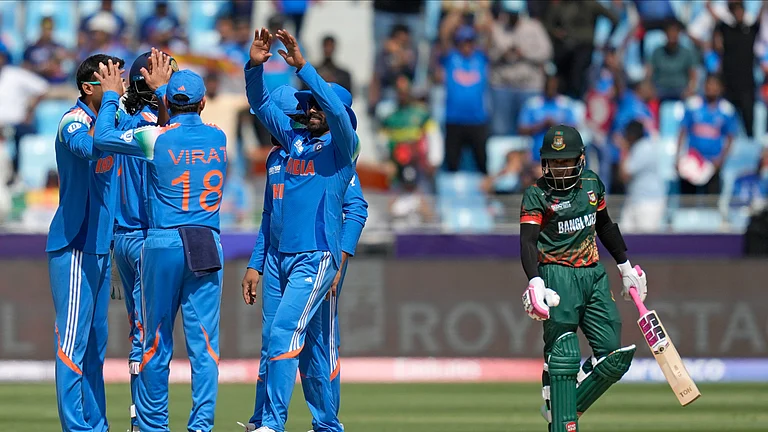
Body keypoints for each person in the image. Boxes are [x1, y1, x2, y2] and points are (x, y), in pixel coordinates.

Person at [93, 58, 226, 432]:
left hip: (162, 241)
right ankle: (201, 427)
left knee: (155, 342)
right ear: (202, 104)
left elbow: (102, 138)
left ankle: (152, 427)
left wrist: (109, 98)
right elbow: (184, 114)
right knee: (204, 347)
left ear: (171, 100)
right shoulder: (218, 135)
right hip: (204, 239)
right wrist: (167, 89)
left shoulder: (155, 138)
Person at [245, 27, 358, 432]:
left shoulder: (342, 150)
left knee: (284, 337)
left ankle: (273, 425)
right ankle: (318, 426)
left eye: (315, 106)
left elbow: (336, 112)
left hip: (315, 255)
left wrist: (304, 68)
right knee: (293, 346)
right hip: (280, 261)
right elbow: (259, 104)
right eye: (306, 104)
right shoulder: (293, 144)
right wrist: (256, 67)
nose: (307, 110)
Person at [519, 125, 647, 432]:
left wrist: (625, 265)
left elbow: (604, 226)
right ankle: (562, 416)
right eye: (554, 161)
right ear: (544, 162)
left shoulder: (592, 184)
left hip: (594, 275)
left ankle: (562, 402)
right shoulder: (537, 195)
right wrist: (535, 281)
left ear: (581, 159)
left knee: (614, 355)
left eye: (566, 161)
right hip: (557, 274)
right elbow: (527, 242)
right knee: (564, 356)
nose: (560, 168)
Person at [46, 53, 125, 432]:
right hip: (75, 242)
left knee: (95, 348)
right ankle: (78, 428)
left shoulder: (112, 117)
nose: (117, 83)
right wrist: (112, 100)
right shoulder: (73, 121)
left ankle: (97, 424)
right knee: (73, 344)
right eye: (109, 77)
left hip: (99, 246)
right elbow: (91, 148)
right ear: (87, 87)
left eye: (119, 76)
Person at [110, 50, 176, 432]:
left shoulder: (119, 120)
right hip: (146, 236)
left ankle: (140, 417)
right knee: (150, 335)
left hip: (121, 236)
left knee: (140, 330)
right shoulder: (154, 127)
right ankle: (145, 421)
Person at [437, 25, 490, 174]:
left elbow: (489, 35)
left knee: (482, 165)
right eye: (463, 42)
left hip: (477, 120)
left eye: (470, 42)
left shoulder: (480, 58)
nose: (467, 46)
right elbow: (444, 35)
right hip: (454, 120)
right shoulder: (451, 58)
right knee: (451, 165)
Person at [711, 0, 765, 139]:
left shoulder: (750, 31)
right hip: (728, 84)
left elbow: (759, 17)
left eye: (741, 10)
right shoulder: (726, 30)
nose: (739, 13)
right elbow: (714, 15)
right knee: (727, 121)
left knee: (748, 122)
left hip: (747, 84)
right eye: (736, 11)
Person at [677, 73, 737, 195]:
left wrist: (720, 160)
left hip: (713, 163)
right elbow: (682, 131)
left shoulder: (727, 110)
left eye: (715, 85)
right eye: (708, 84)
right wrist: (678, 157)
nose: (711, 87)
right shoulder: (693, 105)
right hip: (692, 161)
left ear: (721, 88)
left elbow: (730, 138)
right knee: (688, 201)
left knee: (712, 202)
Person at [518, 74, 578, 173]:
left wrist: (556, 126)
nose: (550, 89)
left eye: (553, 87)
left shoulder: (565, 104)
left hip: (561, 157)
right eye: (548, 86)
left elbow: (574, 129)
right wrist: (541, 125)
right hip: (536, 156)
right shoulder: (533, 104)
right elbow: (521, 129)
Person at [620, 120, 667, 232]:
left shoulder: (643, 148)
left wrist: (623, 149)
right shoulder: (641, 147)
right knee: (624, 238)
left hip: (648, 203)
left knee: (647, 243)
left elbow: (624, 175)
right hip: (636, 200)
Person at [647, 20, 699, 102]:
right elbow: (649, 73)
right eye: (670, 31)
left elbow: (693, 75)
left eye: (675, 31)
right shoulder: (657, 52)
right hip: (661, 89)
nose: (672, 34)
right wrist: (650, 88)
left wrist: (690, 90)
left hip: (681, 89)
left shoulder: (687, 53)